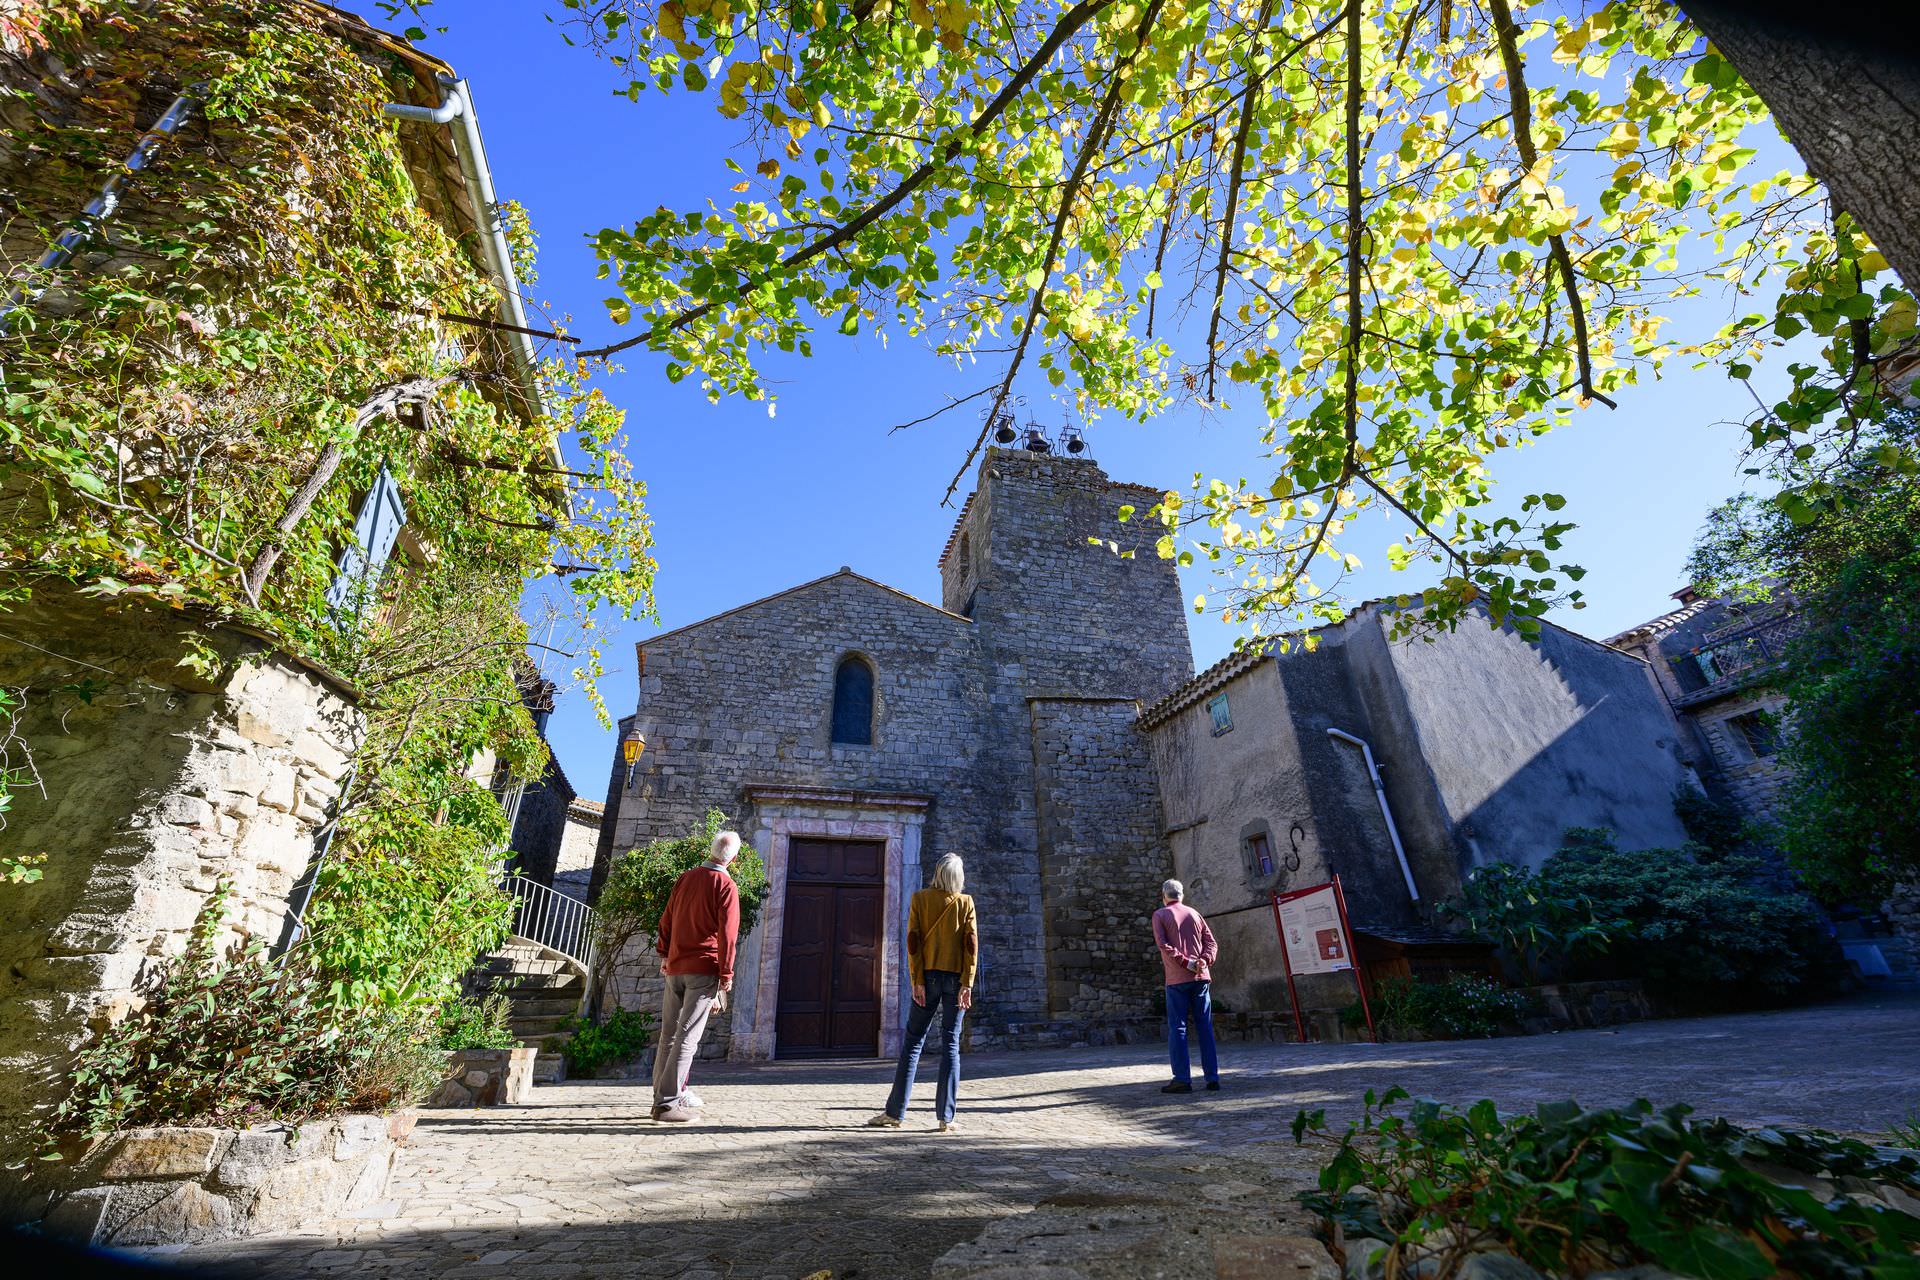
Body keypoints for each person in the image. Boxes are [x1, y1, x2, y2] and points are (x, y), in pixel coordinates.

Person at [867, 853, 977, 1133]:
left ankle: (895, 1113)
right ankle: (946, 1117)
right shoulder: (965, 903)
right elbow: (970, 947)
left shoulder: (920, 899)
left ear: (938, 873)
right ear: (958, 877)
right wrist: (968, 984)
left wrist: (917, 980)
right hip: (956, 980)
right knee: (951, 1045)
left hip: (927, 978)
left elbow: (913, 944)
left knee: (913, 1043)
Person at [650, 829, 742, 1123]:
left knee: (668, 1036)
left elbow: (667, 918)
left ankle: (660, 1098)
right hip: (703, 969)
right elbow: (728, 936)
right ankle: (667, 1105)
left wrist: (664, 953)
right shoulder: (725, 886)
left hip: (675, 966)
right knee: (687, 1039)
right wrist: (726, 975)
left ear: (710, 850)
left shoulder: (686, 878)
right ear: (734, 858)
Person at [1153, 878, 1220, 1094]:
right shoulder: (1195, 914)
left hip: (1177, 979)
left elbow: (1164, 945)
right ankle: (1212, 1078)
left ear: (1164, 895)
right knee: (1205, 1027)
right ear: (1182, 895)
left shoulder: (1160, 915)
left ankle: (1182, 1079)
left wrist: (1187, 962)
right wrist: (1204, 960)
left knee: (1178, 1028)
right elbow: (1211, 943)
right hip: (1201, 978)